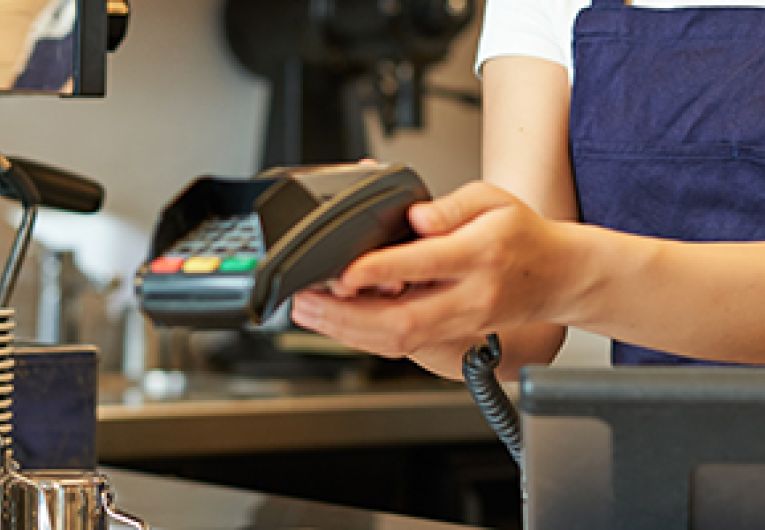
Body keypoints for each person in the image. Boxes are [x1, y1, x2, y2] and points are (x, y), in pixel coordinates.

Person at [292, 0, 765, 380]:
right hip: (670, 462)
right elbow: (521, 333)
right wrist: (418, 302)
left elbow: (549, 277)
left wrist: (570, 274)